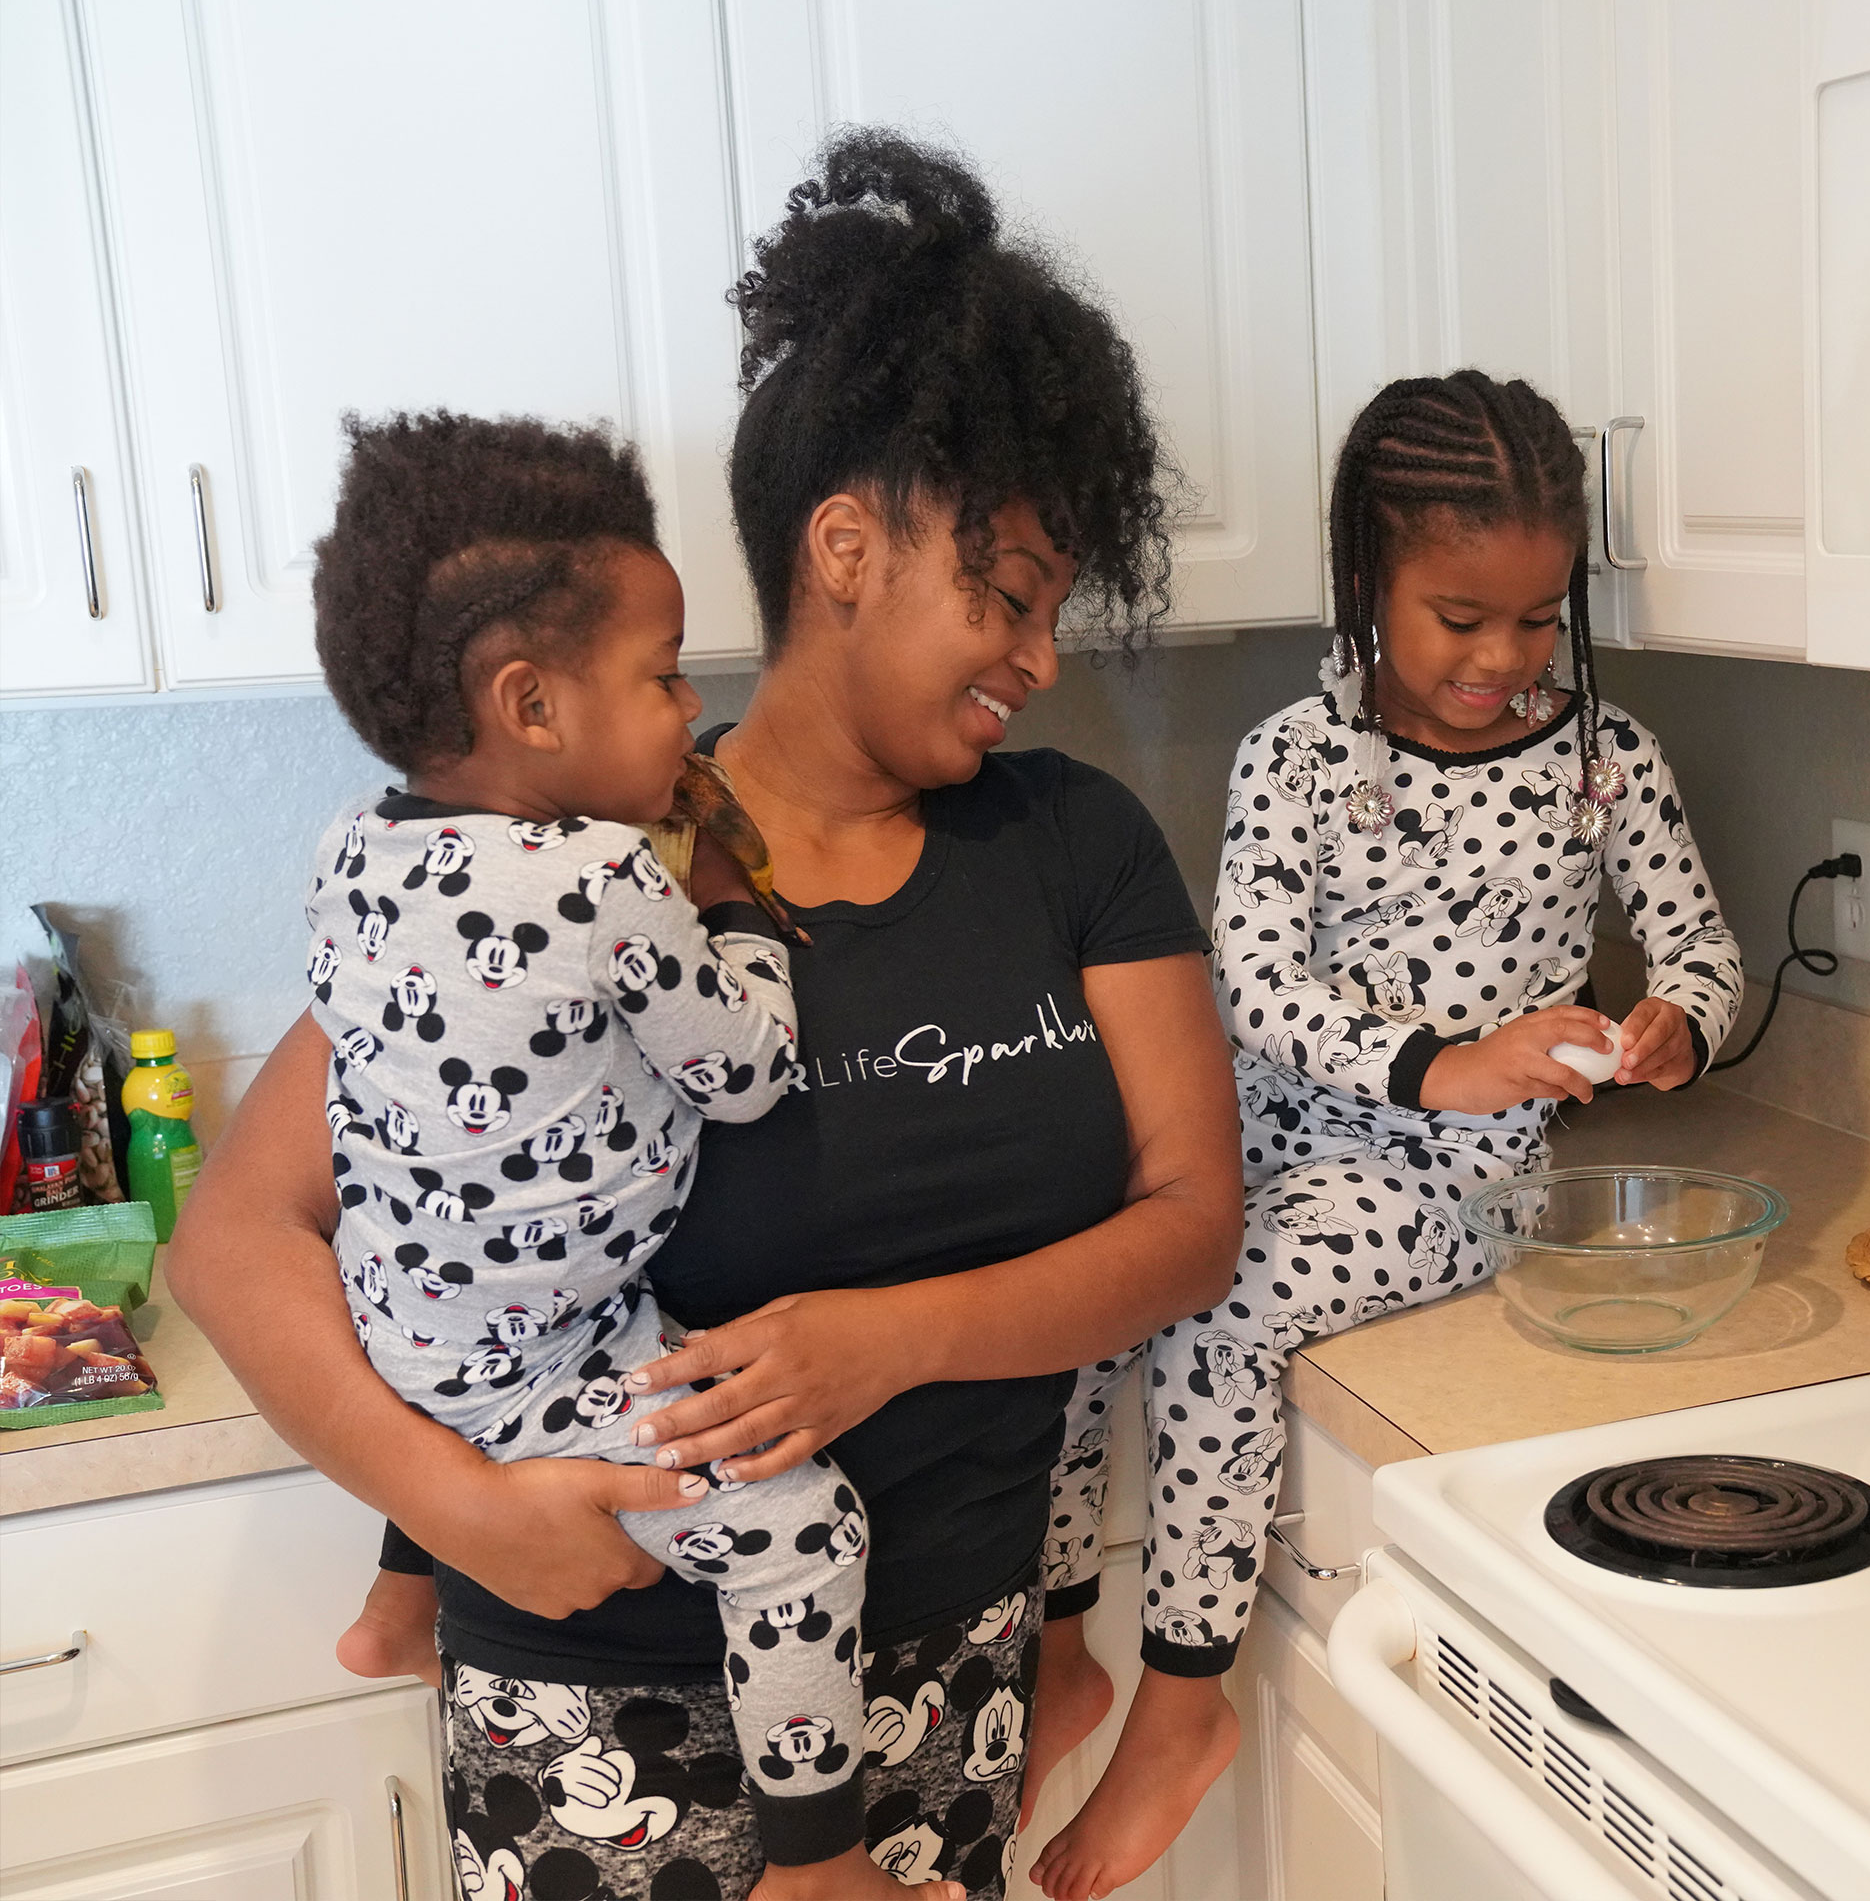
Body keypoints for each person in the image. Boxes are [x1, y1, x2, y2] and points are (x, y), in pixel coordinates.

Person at [173, 130, 1240, 1901]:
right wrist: (453, 1516)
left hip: (947, 1688)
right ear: (847, 545)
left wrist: (891, 1336)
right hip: (602, 1705)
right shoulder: (579, 866)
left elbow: (1191, 1228)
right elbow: (235, 1238)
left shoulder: (1075, 846)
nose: (1039, 659)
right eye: (1006, 596)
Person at [1028, 370, 1747, 1900]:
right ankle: (1055, 1647)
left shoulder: (1609, 764)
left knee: (1214, 1306)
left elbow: (1707, 955)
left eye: (1539, 619)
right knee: (1084, 1278)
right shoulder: (1292, 759)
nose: (1504, 658)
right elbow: (1260, 987)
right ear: (1366, 582)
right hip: (1261, 1130)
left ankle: (1179, 1707)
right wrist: (1446, 1054)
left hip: (1453, 1185)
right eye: (1460, 617)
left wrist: (1677, 1022)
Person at [298, 409, 912, 1895]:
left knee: (481, 1302)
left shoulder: (350, 851)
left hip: (411, 1310)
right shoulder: (599, 879)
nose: (687, 705)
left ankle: (397, 1606)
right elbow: (747, 1075)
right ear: (528, 701)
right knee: (803, 1527)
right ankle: (816, 1865)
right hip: (539, 1346)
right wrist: (748, 921)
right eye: (658, 676)